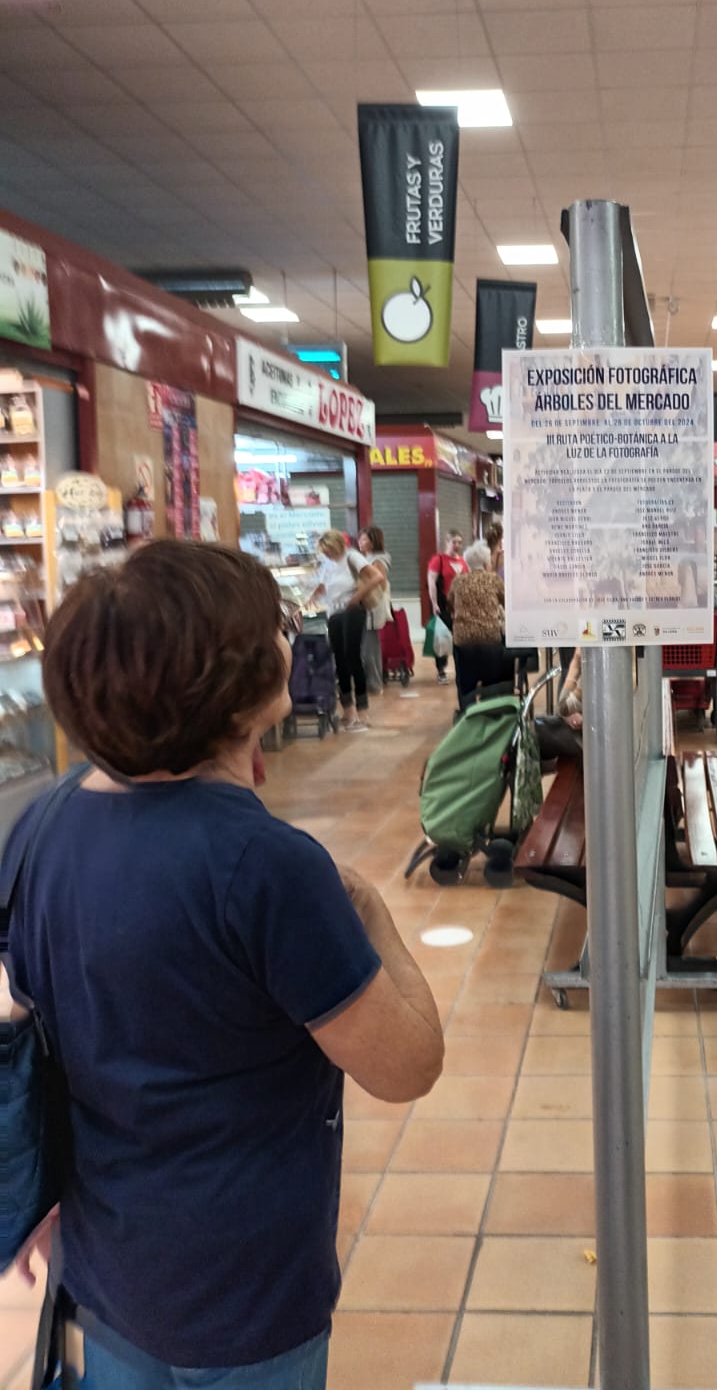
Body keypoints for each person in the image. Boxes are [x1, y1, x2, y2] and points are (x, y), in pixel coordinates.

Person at [9, 541, 443, 1389]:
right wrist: (369, 913)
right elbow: (407, 1063)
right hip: (244, 1286)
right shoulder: (267, 871)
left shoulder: (41, 830)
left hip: (105, 1262)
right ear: (233, 685)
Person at [307, 531, 383, 733]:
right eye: (325, 552)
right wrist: (310, 598)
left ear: (337, 545)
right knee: (339, 660)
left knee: (352, 656)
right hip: (333, 613)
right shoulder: (327, 564)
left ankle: (363, 709)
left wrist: (356, 597)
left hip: (352, 611)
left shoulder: (352, 556)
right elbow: (322, 587)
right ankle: (348, 709)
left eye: (330, 550)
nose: (328, 555)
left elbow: (377, 577)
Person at [447, 539, 508, 708]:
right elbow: (506, 603)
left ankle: (468, 713)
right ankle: (488, 712)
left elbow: (450, 603)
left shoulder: (458, 582)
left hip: (464, 641)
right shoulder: (494, 580)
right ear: (485, 561)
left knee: (465, 684)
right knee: (491, 682)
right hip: (490, 639)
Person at [426, 531, 466, 687]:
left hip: (459, 605)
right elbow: (431, 582)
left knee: (460, 638)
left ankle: (460, 668)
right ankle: (441, 670)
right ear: (447, 542)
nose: (457, 545)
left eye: (459, 542)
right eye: (454, 542)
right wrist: (434, 603)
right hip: (443, 604)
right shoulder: (439, 560)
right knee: (442, 638)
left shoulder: (462, 562)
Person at [357, 525, 392, 697]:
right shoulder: (368, 558)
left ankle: (374, 684)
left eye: (364, 539)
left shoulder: (377, 560)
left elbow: (381, 583)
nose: (360, 542)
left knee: (370, 648)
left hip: (372, 607)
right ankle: (373, 682)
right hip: (370, 606)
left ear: (372, 541)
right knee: (369, 646)